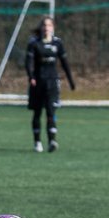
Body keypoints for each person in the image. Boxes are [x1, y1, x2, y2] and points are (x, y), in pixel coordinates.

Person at [25, 15, 76, 152]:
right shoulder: (34, 43)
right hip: (38, 82)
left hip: (52, 82)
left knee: (51, 111)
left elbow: (65, 63)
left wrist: (71, 80)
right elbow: (28, 63)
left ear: (53, 28)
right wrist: (31, 77)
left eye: (49, 25)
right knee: (37, 113)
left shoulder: (58, 43)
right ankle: (37, 142)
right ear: (41, 28)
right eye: (44, 25)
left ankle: (52, 141)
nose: (46, 28)